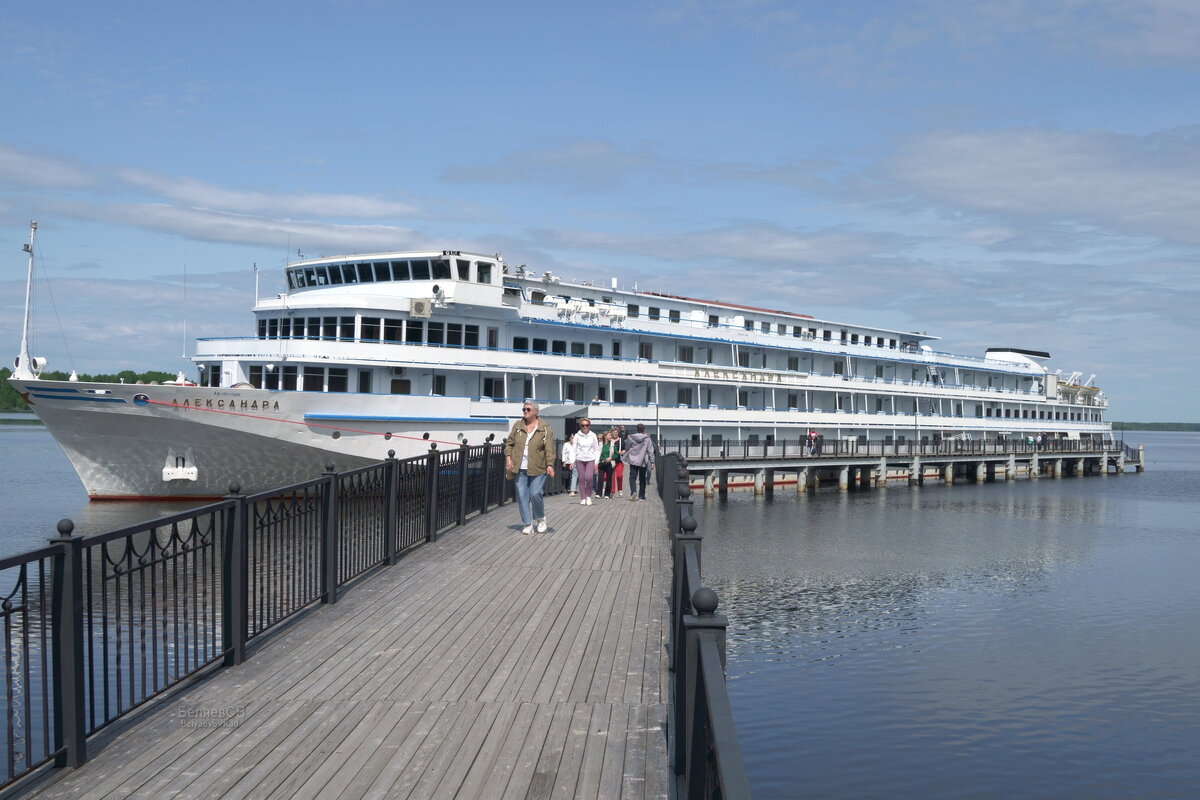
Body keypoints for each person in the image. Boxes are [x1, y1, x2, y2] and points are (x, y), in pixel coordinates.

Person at [503, 400, 555, 534]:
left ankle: (540, 518)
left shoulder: (545, 428)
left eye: (528, 409)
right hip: (519, 466)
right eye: (524, 409)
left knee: (535, 493)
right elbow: (509, 444)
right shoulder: (518, 425)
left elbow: (549, 449)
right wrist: (508, 459)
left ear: (536, 411)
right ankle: (527, 523)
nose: (525, 412)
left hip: (538, 467)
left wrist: (550, 465)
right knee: (521, 495)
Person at [624, 423, 656, 500]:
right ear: (643, 430)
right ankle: (641, 496)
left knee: (632, 478)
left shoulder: (631, 438)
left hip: (633, 460)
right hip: (643, 461)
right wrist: (652, 462)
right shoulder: (647, 439)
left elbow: (627, 447)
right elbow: (650, 451)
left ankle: (633, 492)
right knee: (642, 478)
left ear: (637, 429)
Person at [572, 418, 600, 505]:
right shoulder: (577, 435)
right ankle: (583, 498)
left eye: (586, 425)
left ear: (589, 426)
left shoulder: (593, 435)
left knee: (589, 477)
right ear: (580, 426)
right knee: (581, 479)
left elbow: (597, 449)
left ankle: (588, 496)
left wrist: (596, 462)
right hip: (580, 459)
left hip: (590, 459)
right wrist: (572, 461)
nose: (585, 427)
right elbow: (573, 449)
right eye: (583, 425)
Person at [598, 430, 621, 498]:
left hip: (609, 463)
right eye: (609, 435)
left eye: (610, 435)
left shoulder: (612, 444)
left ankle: (607, 494)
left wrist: (610, 458)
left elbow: (616, 454)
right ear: (605, 436)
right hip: (602, 463)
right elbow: (598, 453)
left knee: (609, 478)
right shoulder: (600, 444)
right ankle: (599, 493)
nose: (611, 436)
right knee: (600, 478)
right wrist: (601, 459)